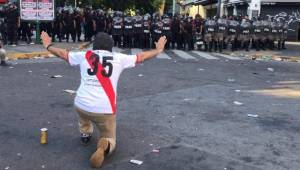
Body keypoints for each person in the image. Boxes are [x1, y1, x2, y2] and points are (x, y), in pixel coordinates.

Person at [40, 31, 167, 168]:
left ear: (94, 46)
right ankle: (104, 146)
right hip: (104, 109)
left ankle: (85, 133)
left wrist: (48, 45)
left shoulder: (84, 56)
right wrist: (158, 49)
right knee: (109, 136)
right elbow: (141, 57)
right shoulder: (119, 58)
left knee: (84, 116)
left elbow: (63, 54)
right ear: (111, 47)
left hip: (81, 104)